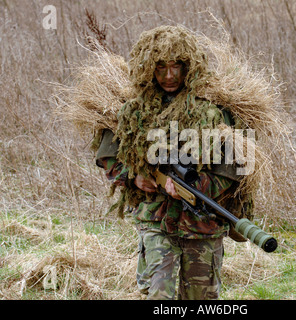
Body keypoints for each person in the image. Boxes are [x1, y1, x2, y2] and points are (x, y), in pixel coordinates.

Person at [95, 26, 247, 300]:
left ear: (189, 66)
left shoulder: (216, 110)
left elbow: (236, 165)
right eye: (160, 66)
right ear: (147, 67)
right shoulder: (133, 110)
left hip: (203, 226)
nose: (168, 75)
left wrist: (196, 187)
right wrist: (134, 177)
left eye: (176, 66)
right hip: (156, 220)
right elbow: (109, 157)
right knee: (159, 297)